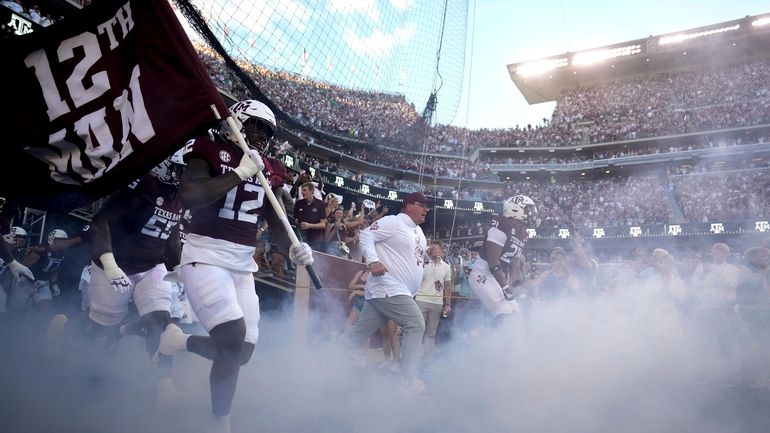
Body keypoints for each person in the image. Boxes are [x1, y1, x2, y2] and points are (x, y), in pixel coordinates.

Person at [157, 99, 313, 433]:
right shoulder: (208, 150)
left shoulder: (271, 168)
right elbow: (193, 194)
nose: (262, 136)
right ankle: (220, 424)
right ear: (237, 122)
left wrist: (294, 251)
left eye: (268, 131)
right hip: (205, 256)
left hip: (242, 266)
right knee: (232, 337)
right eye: (257, 126)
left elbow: (276, 221)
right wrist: (240, 173)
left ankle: (178, 341)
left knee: (240, 353)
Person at [53, 149, 187, 404]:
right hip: (115, 264)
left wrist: (177, 268)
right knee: (102, 326)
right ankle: (73, 346)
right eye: (183, 170)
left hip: (151, 266)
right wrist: (109, 262)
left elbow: (171, 231)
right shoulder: (143, 187)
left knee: (160, 320)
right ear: (165, 167)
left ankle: (162, 385)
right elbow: (100, 222)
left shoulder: (180, 196)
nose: (189, 176)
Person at [343, 191, 430, 397]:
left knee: (358, 333)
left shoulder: (419, 233)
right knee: (416, 324)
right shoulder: (394, 222)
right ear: (409, 206)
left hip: (395, 292)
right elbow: (366, 234)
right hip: (389, 288)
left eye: (428, 206)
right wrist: (372, 260)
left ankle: (322, 357)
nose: (427, 209)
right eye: (422, 205)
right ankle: (407, 381)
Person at [414, 239, 452, 365]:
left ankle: (427, 359)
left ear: (442, 251)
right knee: (418, 329)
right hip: (421, 299)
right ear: (429, 251)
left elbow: (447, 286)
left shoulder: (447, 267)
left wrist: (447, 304)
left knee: (430, 332)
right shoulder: (422, 264)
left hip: (437, 303)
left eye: (437, 249)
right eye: (432, 248)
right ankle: (415, 356)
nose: (435, 251)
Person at [294, 182, 326, 251]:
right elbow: (296, 220)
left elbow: (323, 224)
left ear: (312, 191)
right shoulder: (298, 203)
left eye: (305, 190)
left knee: (312, 260)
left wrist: (309, 225)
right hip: (301, 239)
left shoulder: (320, 204)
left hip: (315, 240)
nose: (302, 192)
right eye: (302, 190)